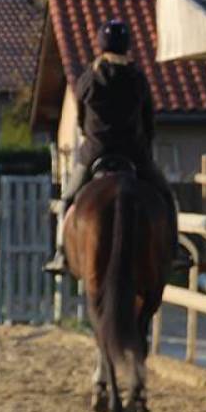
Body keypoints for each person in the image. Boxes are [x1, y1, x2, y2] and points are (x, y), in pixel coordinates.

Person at [44, 18, 173, 274]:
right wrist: (144, 148)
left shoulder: (88, 79)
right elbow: (148, 122)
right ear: (127, 46)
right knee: (167, 198)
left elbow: (81, 120)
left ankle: (61, 253)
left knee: (68, 200)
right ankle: (174, 250)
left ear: (101, 46)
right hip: (134, 155)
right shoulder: (137, 78)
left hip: (95, 154)